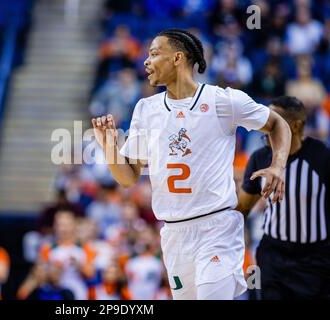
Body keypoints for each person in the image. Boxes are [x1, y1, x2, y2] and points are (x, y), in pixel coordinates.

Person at [91, 29, 291, 300]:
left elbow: (278, 124)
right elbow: (128, 177)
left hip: (217, 226)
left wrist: (278, 165)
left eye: (153, 53)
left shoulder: (222, 100)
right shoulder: (145, 110)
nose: (146, 61)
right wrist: (109, 147)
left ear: (177, 58)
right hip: (174, 233)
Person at [237, 96, 330, 299]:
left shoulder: (322, 156)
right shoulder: (260, 158)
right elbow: (241, 209)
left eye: (275, 119)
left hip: (315, 259)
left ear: (295, 126)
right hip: (273, 255)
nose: (268, 124)